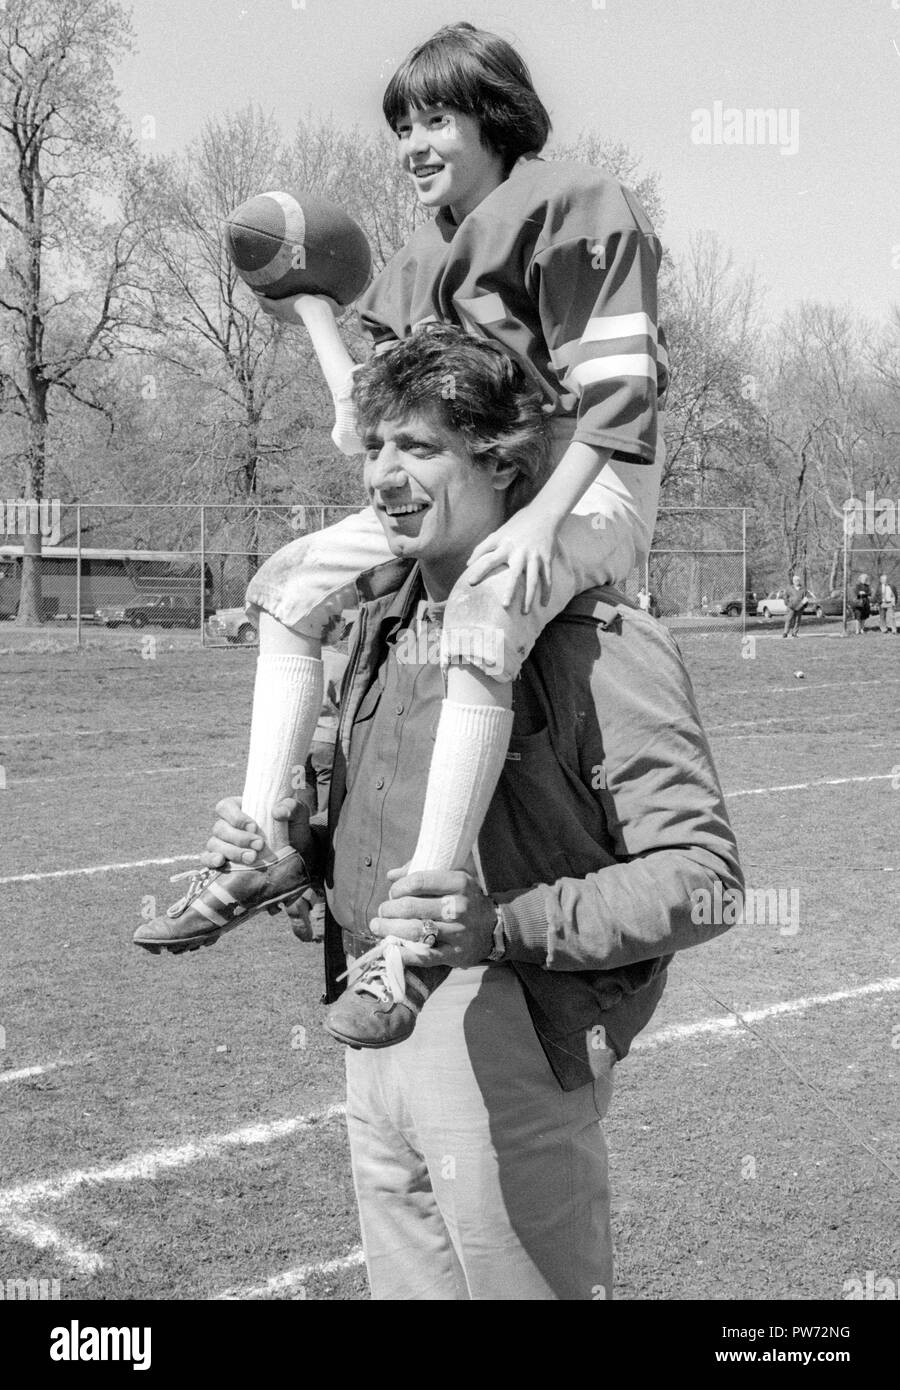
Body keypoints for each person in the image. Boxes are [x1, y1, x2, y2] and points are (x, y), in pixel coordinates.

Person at [134, 22, 668, 1050]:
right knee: (289, 584)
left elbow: (620, 392)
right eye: (403, 124)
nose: (413, 142)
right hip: (470, 483)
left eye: (436, 118)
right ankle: (259, 848)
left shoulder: (577, 204)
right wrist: (313, 308)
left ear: (494, 117)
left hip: (583, 485)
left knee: (479, 610)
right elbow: (369, 426)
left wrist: (542, 523)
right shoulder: (426, 254)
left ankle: (418, 931)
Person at [197, 327, 742, 1299]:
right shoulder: (378, 624)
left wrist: (501, 925)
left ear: (503, 463)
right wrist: (293, 857)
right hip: (372, 1017)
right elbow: (373, 828)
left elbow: (704, 881)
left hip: (515, 1033)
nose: (383, 476)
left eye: (417, 449)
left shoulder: (599, 637)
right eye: (374, 449)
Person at [782, 574, 806, 638]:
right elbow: (785, 597)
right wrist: (788, 603)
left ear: (799, 581)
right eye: (795, 580)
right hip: (791, 607)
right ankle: (785, 633)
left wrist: (804, 605)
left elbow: (805, 598)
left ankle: (794, 633)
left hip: (799, 607)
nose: (796, 581)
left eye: (797, 580)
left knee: (797, 621)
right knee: (788, 620)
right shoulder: (789, 588)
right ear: (793, 581)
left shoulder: (803, 589)